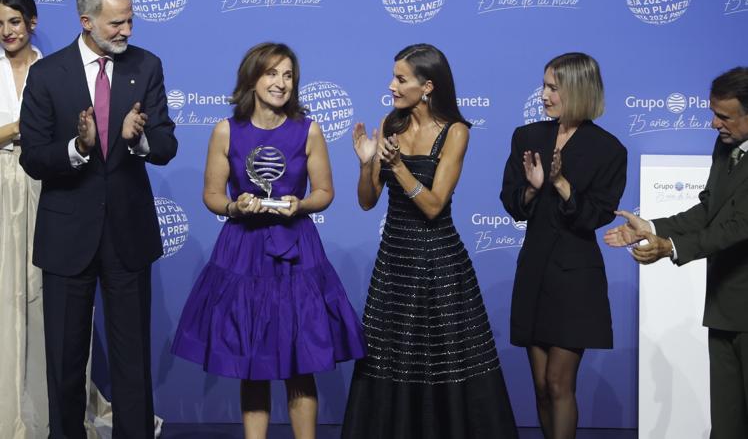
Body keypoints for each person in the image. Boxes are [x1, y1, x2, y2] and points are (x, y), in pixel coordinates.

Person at [171, 42, 365, 439]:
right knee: (251, 360)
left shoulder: (308, 129)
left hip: (297, 251)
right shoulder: (226, 130)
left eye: (288, 75)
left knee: (299, 361)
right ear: (252, 77)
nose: (281, 83)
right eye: (272, 73)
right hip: (242, 252)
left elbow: (324, 192)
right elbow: (211, 196)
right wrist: (234, 206)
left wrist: (301, 203)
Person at [19, 0, 177, 438]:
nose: (127, 31)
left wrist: (140, 138)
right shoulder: (47, 74)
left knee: (133, 361)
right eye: (116, 23)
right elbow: (33, 157)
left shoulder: (146, 66)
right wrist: (77, 147)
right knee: (65, 361)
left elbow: (166, 143)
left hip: (128, 235)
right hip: (67, 236)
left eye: (129, 21)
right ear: (86, 21)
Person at [343, 44, 517, 439]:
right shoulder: (391, 123)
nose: (391, 85)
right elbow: (368, 202)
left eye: (401, 79)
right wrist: (367, 162)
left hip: (440, 264)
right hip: (395, 263)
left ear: (427, 86)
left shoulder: (456, 132)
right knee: (393, 360)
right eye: (393, 76)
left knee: (446, 360)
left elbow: (435, 205)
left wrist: (398, 166)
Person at [604, 66, 748, 439]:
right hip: (725, 305)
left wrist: (671, 248)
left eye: (724, 116)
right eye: (713, 113)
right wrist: (652, 228)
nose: (714, 124)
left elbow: (737, 227)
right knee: (728, 423)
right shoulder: (727, 144)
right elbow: (708, 209)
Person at [500, 52, 626, 439]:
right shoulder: (528, 137)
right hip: (534, 273)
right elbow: (510, 201)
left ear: (577, 90)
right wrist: (535, 190)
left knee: (558, 383)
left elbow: (596, 215)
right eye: (544, 85)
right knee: (540, 387)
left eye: (553, 87)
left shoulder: (610, 150)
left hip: (576, 281)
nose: (544, 94)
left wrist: (560, 184)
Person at [0, 0, 46, 439]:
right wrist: (21, 127)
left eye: (14, 21)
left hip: (44, 186)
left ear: (31, 22)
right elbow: (36, 128)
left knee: (39, 293)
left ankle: (43, 408)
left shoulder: (51, 70)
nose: (6, 31)